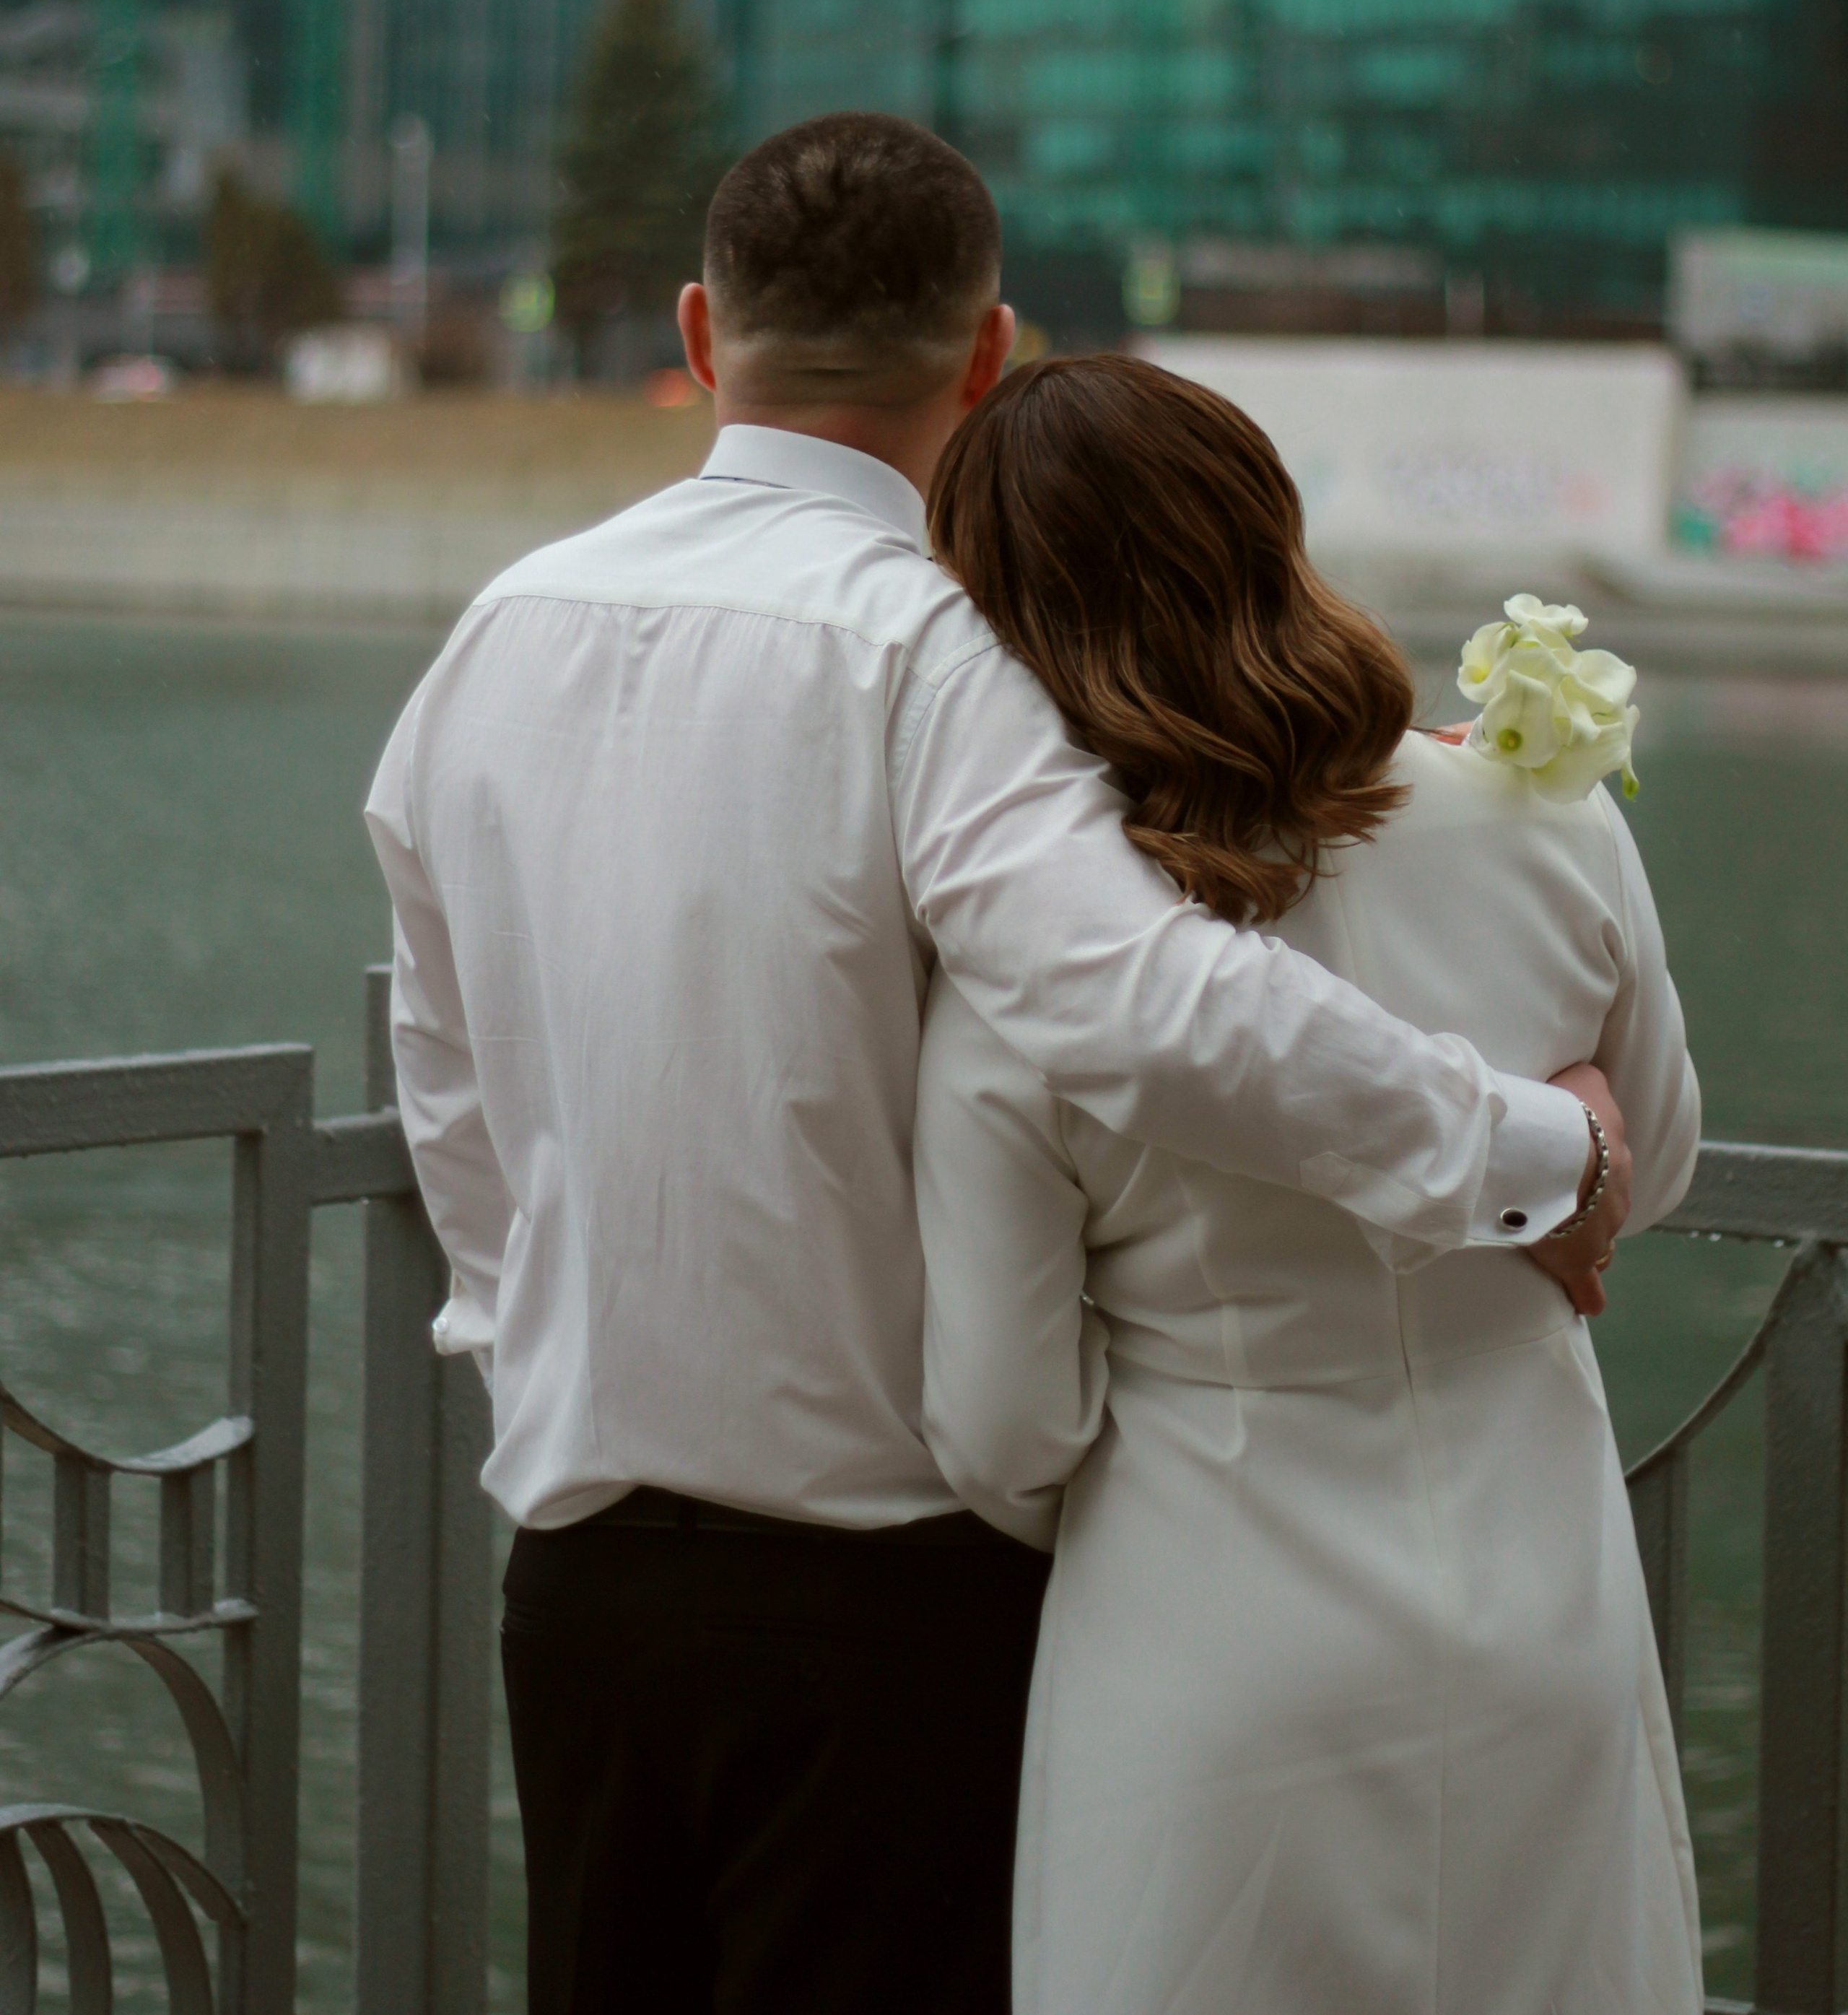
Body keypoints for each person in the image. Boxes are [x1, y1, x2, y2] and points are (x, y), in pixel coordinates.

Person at [364, 115, 1626, 2015]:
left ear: (701, 333)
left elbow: (451, 1099)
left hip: (578, 1574)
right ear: (986, 351)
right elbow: (1142, 1003)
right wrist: (1538, 1148)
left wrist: (534, 1356)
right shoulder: (936, 651)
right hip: (890, 1594)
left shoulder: (493, 636)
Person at [913, 350, 1702, 2015]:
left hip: (1205, 1623)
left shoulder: (1045, 967)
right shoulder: (1546, 819)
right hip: (1538, 1588)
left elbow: (1001, 1427)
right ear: (1269, 524)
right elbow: (1653, 1168)